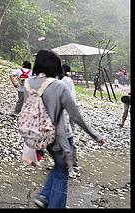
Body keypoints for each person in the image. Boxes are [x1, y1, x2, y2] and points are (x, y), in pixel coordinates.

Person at [28, 50, 105, 209]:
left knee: (59, 166)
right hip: (61, 137)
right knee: (62, 173)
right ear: (54, 65)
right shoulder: (59, 86)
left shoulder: (29, 82)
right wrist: (95, 135)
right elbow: (76, 116)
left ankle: (43, 196)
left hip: (40, 136)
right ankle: (52, 203)